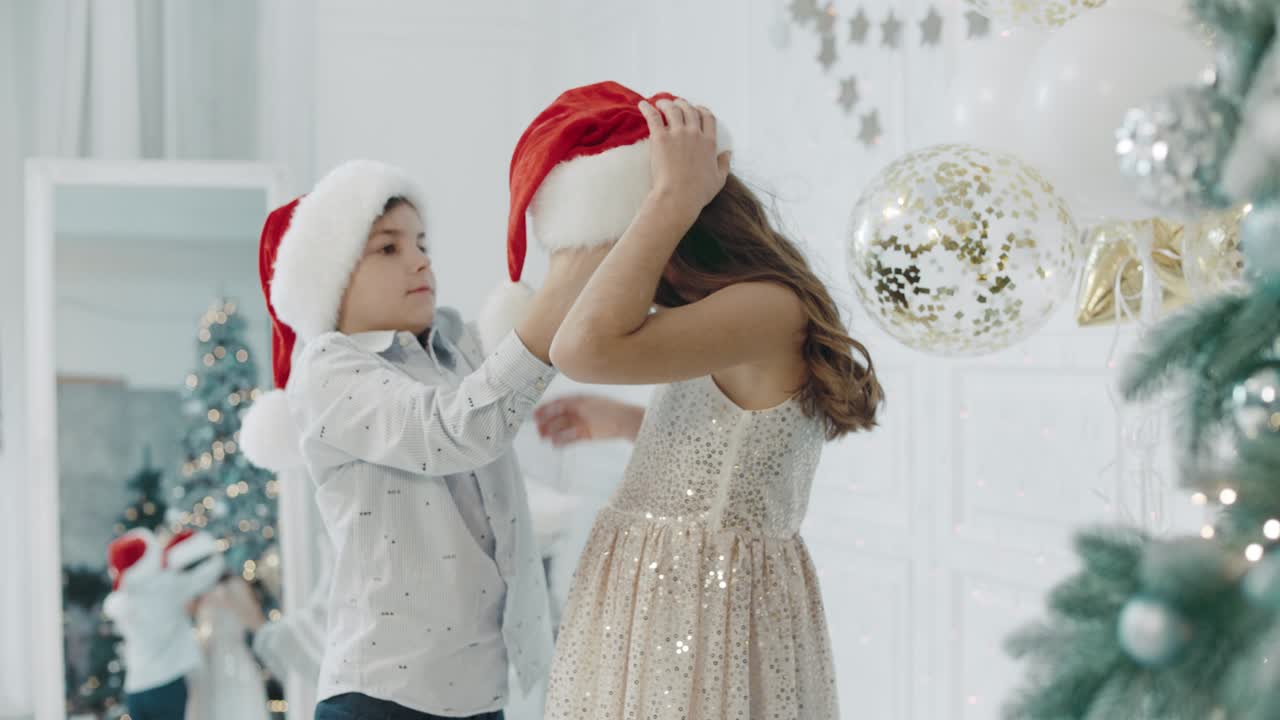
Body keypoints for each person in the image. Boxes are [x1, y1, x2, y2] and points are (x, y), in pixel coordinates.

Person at [502, 81, 885, 720]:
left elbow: (581, 350)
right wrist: (631, 424)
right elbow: (744, 443)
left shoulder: (766, 306)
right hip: (668, 591)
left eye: (615, 245)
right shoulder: (729, 313)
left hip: (697, 601)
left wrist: (670, 195)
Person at [237, 159, 606, 720]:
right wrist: (562, 286)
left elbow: (504, 396)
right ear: (330, 277)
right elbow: (455, 429)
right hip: (384, 697)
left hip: (479, 693)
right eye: (388, 248)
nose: (420, 259)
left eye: (422, 242)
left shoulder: (453, 348)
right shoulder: (330, 367)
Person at [103, 528, 224, 720]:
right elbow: (210, 572)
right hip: (167, 683)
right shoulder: (167, 586)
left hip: (136, 689)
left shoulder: (122, 600)